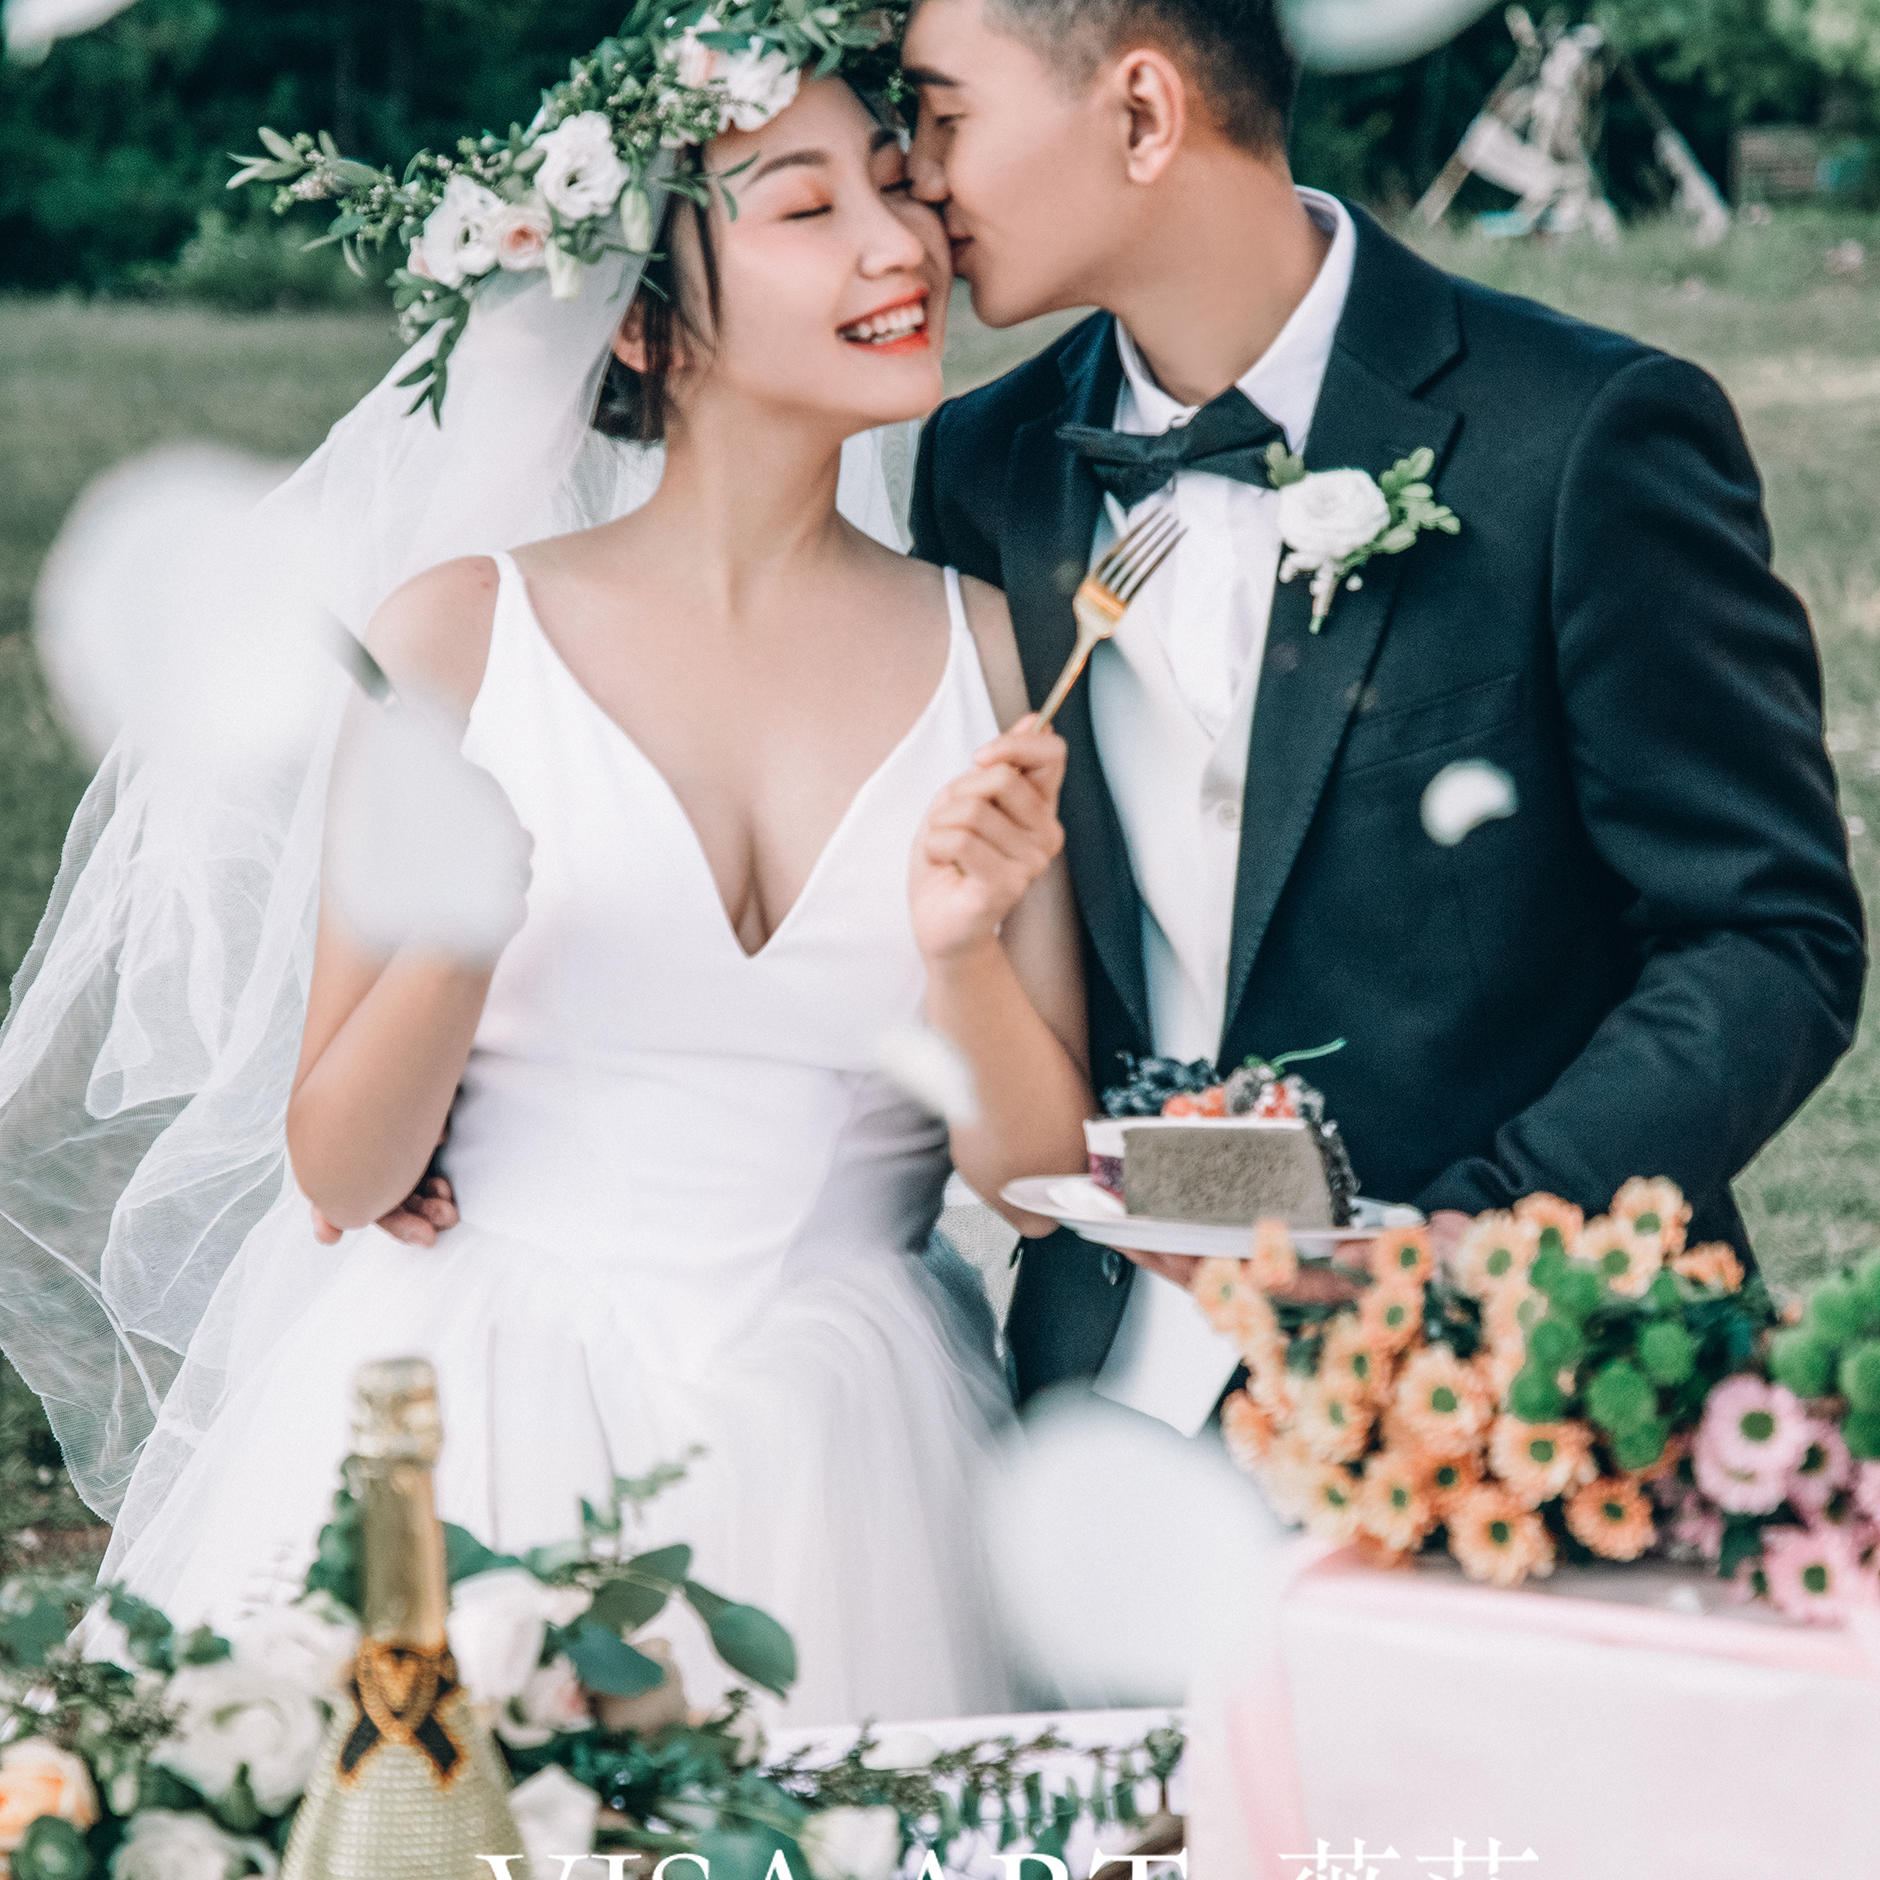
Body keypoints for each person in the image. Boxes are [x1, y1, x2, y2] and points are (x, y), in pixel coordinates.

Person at [74, 72, 1098, 1726]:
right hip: (482, 1404)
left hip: (856, 1448)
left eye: (897, 184)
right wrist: (457, 938)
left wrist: (961, 948)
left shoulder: (994, 649)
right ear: (637, 323)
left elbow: (1039, 1188)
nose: (899, 242)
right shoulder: (458, 638)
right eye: (808, 205)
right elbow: (344, 1167)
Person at [900, 0, 1866, 1435]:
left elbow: (1767, 938)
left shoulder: (1581, 433)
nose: (917, 175)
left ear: (1143, 113)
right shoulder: (986, 468)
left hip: (1519, 1405)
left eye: (945, 117)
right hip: (1115, 1406)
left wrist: (1478, 1237)